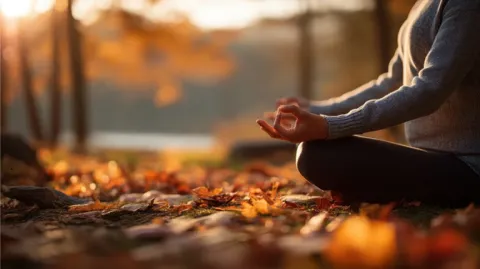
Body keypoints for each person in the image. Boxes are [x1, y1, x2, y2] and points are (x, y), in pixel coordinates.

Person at [257, 0, 480, 207]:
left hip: (469, 168)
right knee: (314, 151)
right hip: (432, 157)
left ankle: (378, 192)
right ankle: (379, 192)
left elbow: (430, 90)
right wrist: (317, 110)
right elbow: (391, 82)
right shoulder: (422, 5)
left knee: (317, 156)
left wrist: (330, 126)